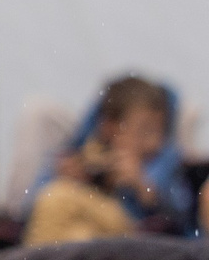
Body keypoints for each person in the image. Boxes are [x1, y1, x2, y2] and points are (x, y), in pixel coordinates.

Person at [23, 75, 194, 248]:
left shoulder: (163, 160)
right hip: (100, 237)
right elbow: (28, 205)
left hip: (131, 230)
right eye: (145, 130)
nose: (154, 142)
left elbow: (183, 213)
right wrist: (65, 175)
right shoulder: (85, 150)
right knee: (78, 235)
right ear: (110, 127)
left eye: (159, 131)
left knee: (58, 197)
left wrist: (142, 186)